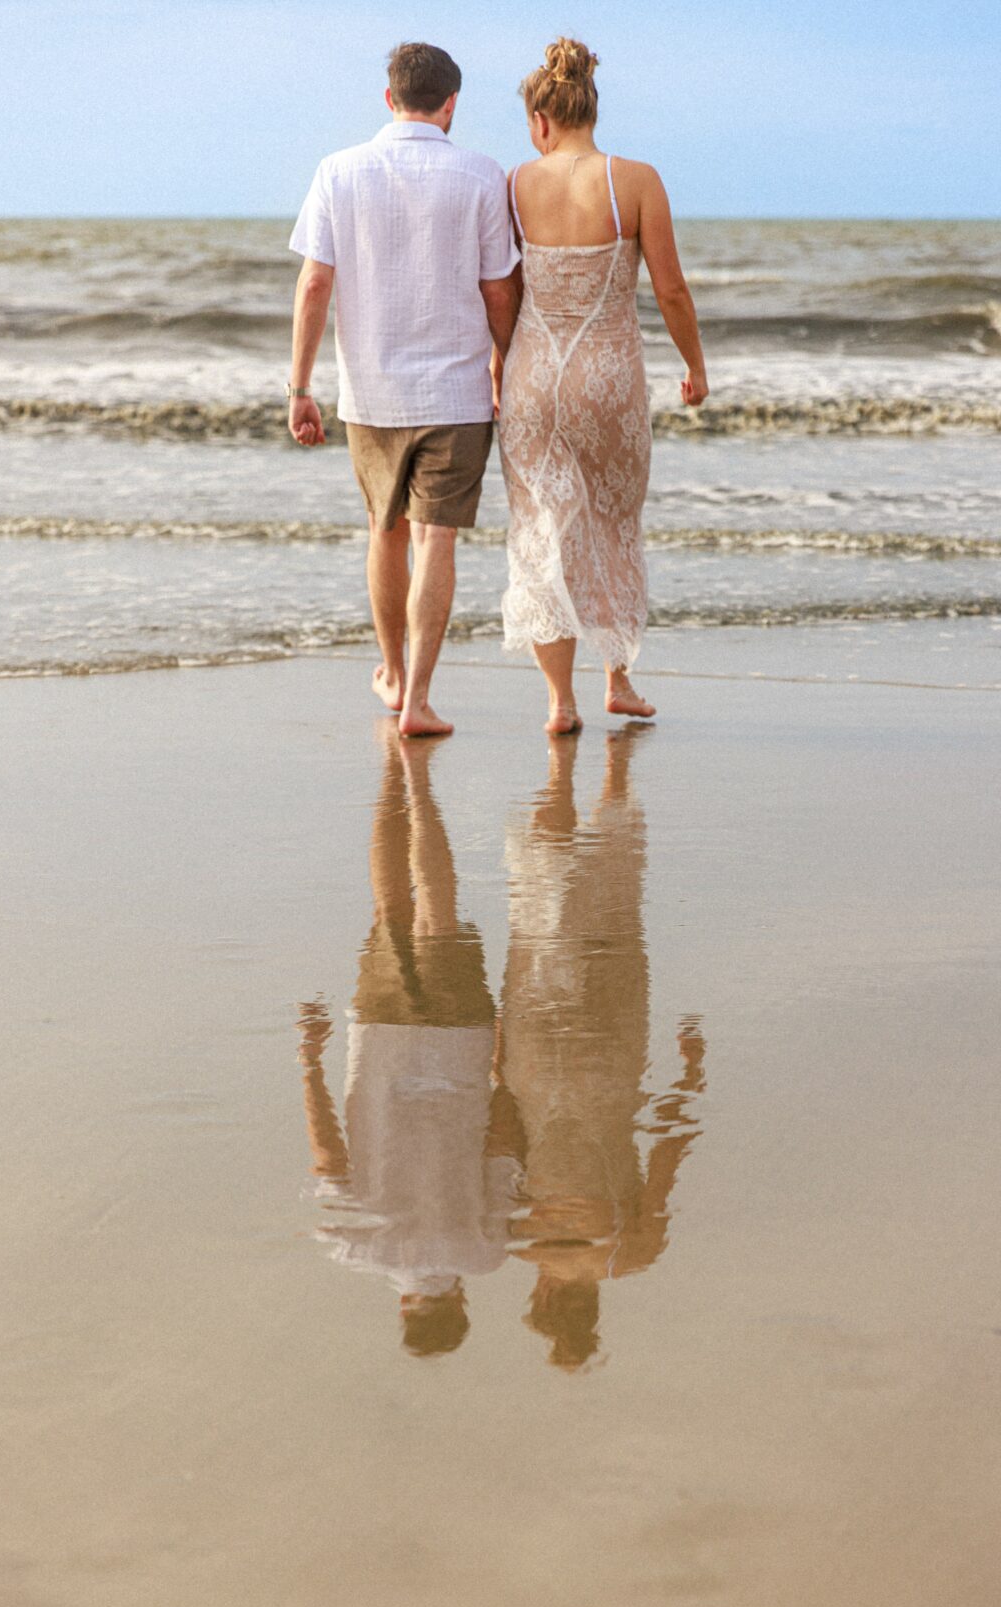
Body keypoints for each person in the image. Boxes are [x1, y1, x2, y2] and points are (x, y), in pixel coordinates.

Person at [287, 43, 521, 737]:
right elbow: (498, 289)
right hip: (458, 395)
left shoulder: (338, 171)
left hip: (373, 393)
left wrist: (300, 386)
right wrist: (509, 365)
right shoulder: (482, 174)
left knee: (383, 532)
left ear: (389, 98)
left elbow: (315, 284)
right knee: (436, 540)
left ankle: (391, 675)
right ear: (451, 105)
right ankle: (419, 700)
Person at [498, 38, 709, 736]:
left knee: (542, 530)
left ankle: (560, 702)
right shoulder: (637, 181)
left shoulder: (515, 184)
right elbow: (671, 289)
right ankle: (618, 680)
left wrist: (498, 366)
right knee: (614, 523)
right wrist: (695, 366)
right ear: (592, 106)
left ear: (540, 120)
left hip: (534, 376)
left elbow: (504, 291)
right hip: (609, 377)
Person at [297, 729, 522, 1355]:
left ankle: (417, 782)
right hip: (381, 1043)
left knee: (439, 912)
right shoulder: (358, 1248)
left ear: (459, 1304)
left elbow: (503, 1144)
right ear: (404, 1308)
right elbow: (327, 1156)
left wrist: (505, 1065)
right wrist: (309, 1060)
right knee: (389, 910)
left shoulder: (485, 1253)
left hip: (460, 1047)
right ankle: (395, 775)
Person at [497, 728, 706, 1369]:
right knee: (542, 932)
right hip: (536, 1067)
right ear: (544, 1295)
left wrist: (691, 1076)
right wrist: (497, 1052)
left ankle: (611, 784)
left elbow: (666, 1152)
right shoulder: (519, 1239)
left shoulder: (632, 1254)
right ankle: (562, 785)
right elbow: (502, 1135)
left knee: (614, 927)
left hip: (610, 1068)